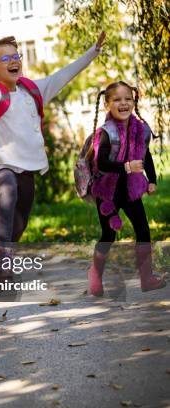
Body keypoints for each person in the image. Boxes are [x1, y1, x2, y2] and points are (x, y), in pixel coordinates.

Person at [0, 33, 105, 281]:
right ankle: (3, 257)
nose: (14, 61)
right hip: (2, 163)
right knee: (8, 190)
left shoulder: (32, 90)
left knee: (21, 220)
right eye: (5, 58)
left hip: (29, 165)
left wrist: (92, 52)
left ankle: (2, 257)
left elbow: (63, 76)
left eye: (16, 56)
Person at [87, 81, 165, 296]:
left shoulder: (141, 129)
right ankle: (95, 273)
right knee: (108, 235)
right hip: (107, 193)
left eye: (128, 99)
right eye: (117, 100)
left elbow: (145, 154)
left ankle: (147, 278)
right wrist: (127, 166)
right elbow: (101, 162)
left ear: (134, 101)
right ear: (107, 104)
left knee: (143, 231)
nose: (123, 103)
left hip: (130, 191)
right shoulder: (106, 132)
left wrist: (152, 180)